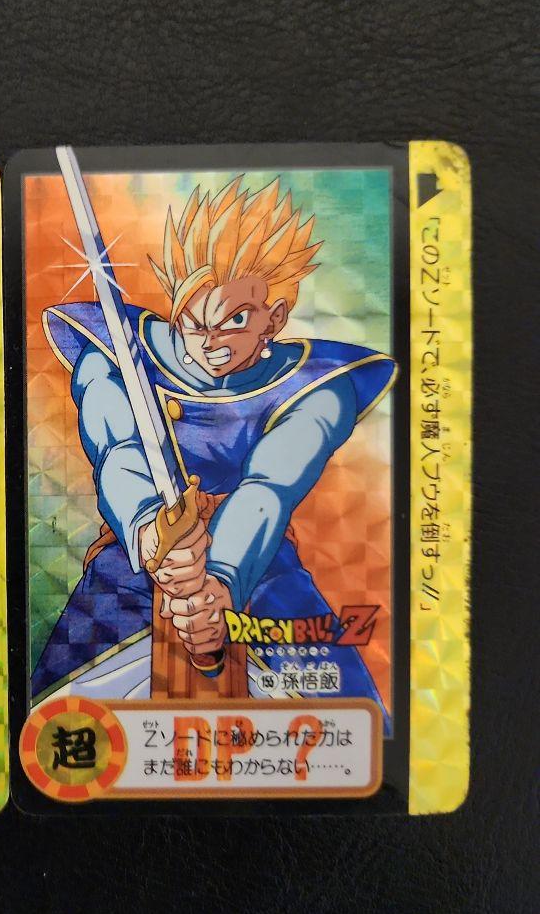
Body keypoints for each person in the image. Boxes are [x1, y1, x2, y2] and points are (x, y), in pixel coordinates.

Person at [32, 176, 396, 723]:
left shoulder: (317, 387)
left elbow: (269, 488)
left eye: (236, 321)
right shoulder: (116, 350)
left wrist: (221, 583)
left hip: (255, 563)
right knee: (54, 722)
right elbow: (118, 447)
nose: (209, 343)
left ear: (275, 318)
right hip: (135, 562)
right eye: (193, 322)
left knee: (350, 724)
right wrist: (150, 529)